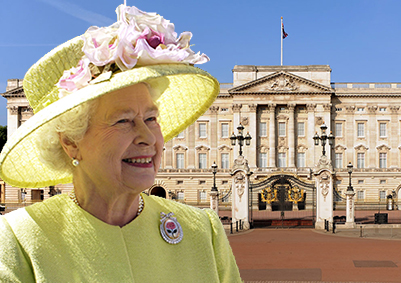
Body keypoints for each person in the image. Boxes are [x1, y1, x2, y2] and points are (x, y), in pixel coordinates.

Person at [0, 4, 241, 282]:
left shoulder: (203, 231)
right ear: (71, 142)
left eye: (151, 118)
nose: (148, 137)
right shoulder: (19, 240)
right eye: (123, 121)